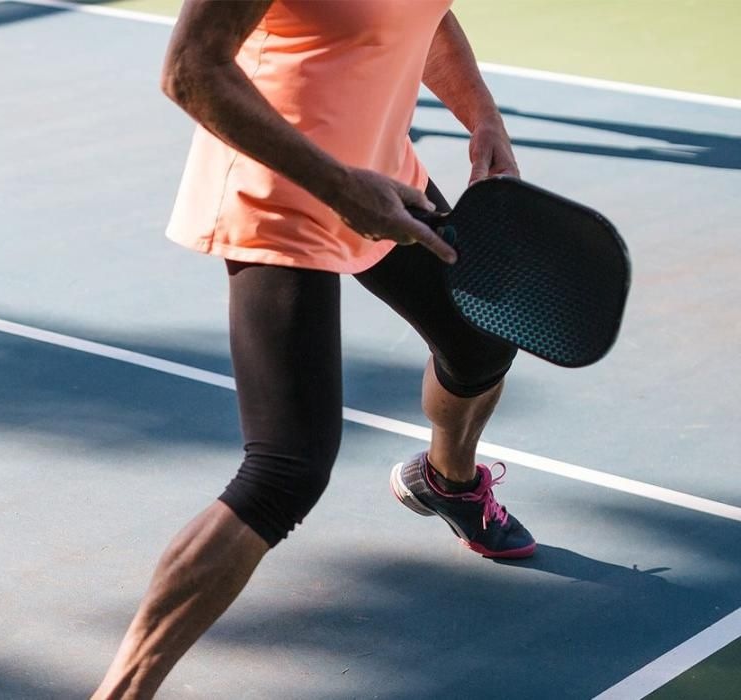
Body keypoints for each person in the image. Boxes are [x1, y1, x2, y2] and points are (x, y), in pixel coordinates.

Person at [94, 1, 533, 697]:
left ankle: (445, 480)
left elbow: (426, 18)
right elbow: (189, 71)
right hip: (283, 191)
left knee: (482, 338)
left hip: (384, 174)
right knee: (285, 472)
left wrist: (483, 116)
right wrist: (337, 185)